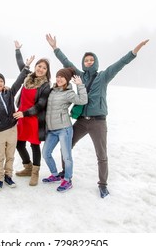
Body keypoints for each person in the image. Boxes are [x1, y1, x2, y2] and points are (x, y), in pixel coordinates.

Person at [46, 34, 149, 198]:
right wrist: (55, 48)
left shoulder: (103, 76)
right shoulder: (78, 75)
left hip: (98, 122)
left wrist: (135, 51)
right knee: (66, 146)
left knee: (101, 155)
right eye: (86, 60)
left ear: (95, 62)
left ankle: (103, 184)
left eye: (91, 60)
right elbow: (67, 63)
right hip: (81, 121)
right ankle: (66, 175)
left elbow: (121, 63)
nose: (88, 62)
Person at [0, 59, 33, 190]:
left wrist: (26, 67)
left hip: (12, 129)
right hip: (0, 132)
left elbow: (18, 81)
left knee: (10, 155)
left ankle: (8, 176)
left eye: (1, 80)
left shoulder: (9, 93)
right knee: (0, 156)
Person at [12, 41, 52, 186]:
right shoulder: (28, 77)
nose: (41, 69)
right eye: (39, 66)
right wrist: (17, 50)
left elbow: (40, 105)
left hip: (33, 119)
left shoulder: (46, 85)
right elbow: (21, 64)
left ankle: (35, 173)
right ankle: (27, 167)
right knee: (19, 144)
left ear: (47, 71)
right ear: (35, 67)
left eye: (44, 68)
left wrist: (25, 113)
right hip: (21, 117)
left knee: (34, 146)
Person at [42, 68, 87, 192]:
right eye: (58, 76)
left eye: (62, 77)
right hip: (52, 129)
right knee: (46, 153)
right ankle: (55, 175)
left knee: (66, 156)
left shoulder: (69, 93)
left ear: (67, 79)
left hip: (64, 129)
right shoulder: (52, 90)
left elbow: (83, 100)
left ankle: (67, 180)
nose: (59, 79)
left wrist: (80, 85)